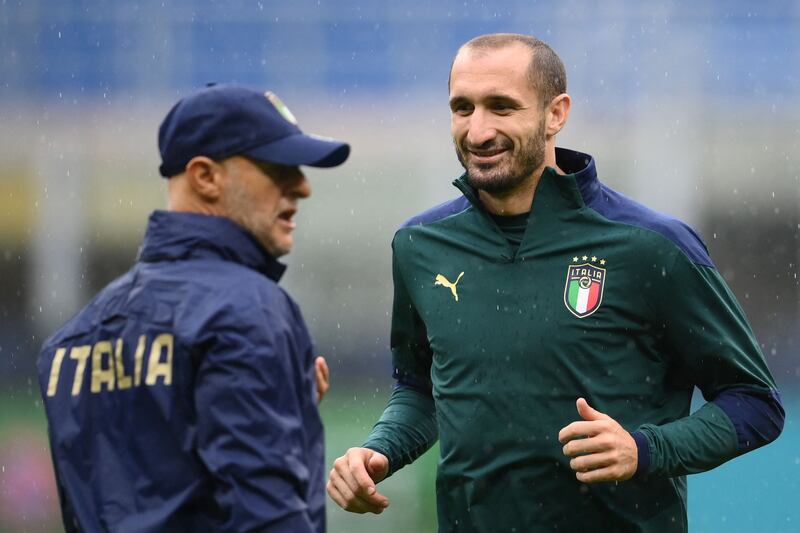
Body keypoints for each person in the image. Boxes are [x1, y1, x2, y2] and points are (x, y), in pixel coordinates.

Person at [327, 34, 784, 532]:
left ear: (556, 113)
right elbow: (420, 387)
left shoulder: (652, 247)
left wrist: (646, 449)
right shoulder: (420, 245)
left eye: (501, 107)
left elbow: (753, 402)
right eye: (463, 108)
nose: (478, 131)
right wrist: (379, 450)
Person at [36, 84, 348, 532]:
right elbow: (268, 517)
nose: (302, 187)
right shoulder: (248, 309)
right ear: (205, 176)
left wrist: (278, 416)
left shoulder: (70, 341)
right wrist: (286, 432)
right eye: (278, 167)